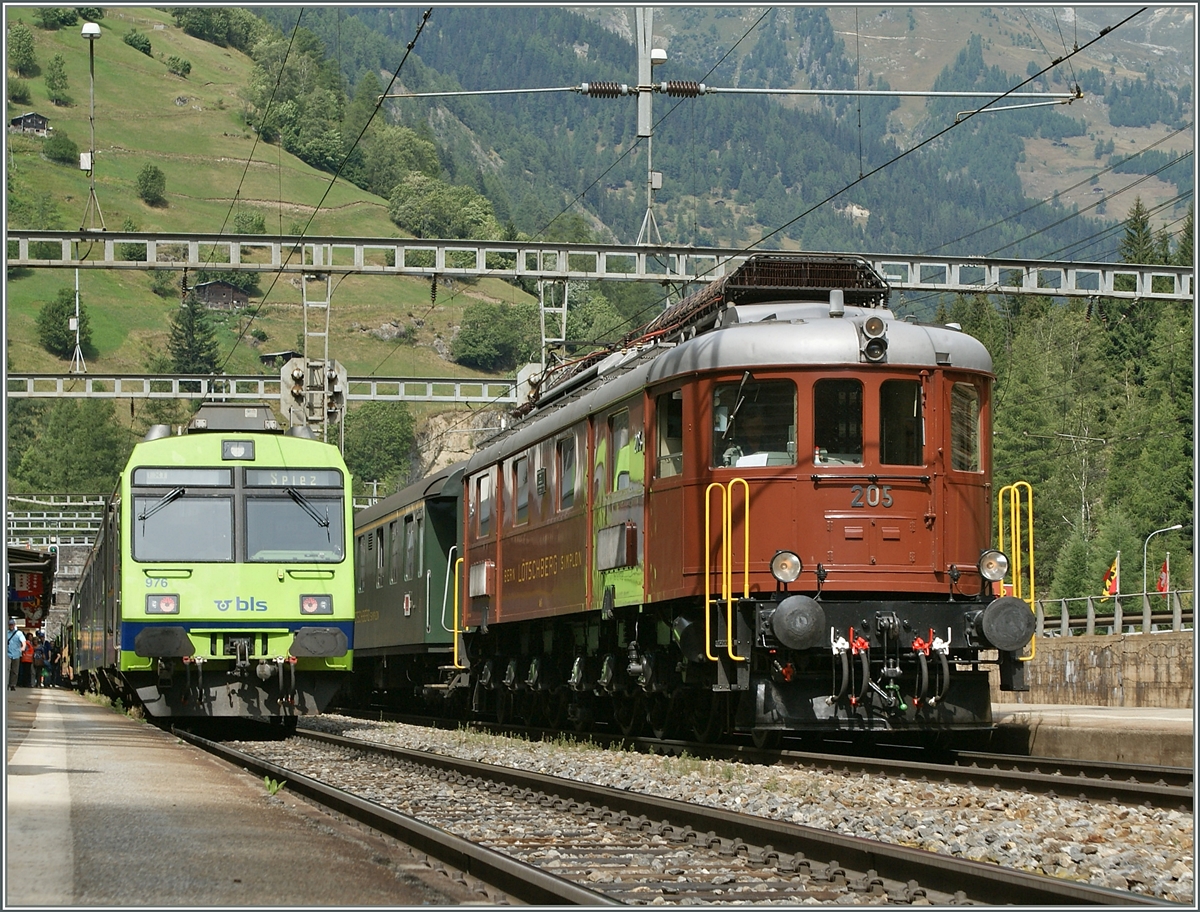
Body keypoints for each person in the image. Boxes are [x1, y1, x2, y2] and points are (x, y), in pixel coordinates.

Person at [7, 618, 26, 692]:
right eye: (10, 625)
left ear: (14, 625)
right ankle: (6, 684)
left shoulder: (19, 633)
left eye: (12, 624)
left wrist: (23, 648)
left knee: (15, 671)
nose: (11, 626)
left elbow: (23, 642)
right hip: (7, 654)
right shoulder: (6, 633)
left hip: (16, 654)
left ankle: (12, 685)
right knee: (7, 669)